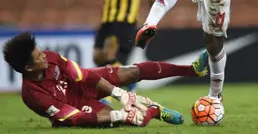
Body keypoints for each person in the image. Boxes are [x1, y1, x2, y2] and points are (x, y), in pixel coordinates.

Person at [3, 32, 209, 128]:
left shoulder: (50, 57)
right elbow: (73, 116)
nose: (44, 56)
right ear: (28, 68)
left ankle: (192, 70)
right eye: (38, 57)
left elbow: (84, 75)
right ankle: (154, 110)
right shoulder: (33, 96)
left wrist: (120, 94)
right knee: (125, 119)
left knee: (131, 72)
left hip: (84, 85)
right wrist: (120, 113)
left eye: (40, 51)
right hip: (78, 107)